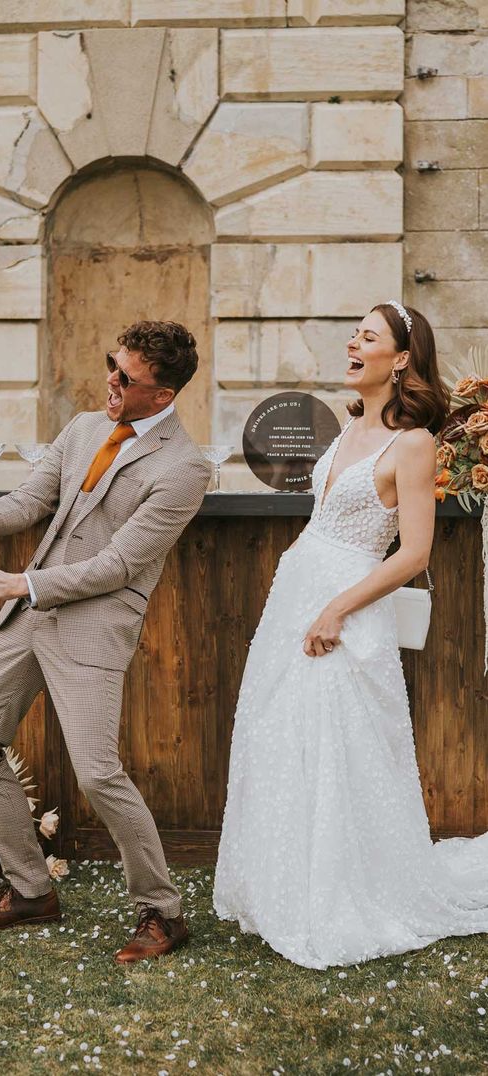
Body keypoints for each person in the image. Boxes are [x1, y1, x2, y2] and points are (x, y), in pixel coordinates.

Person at [0, 320, 211, 964]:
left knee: (98, 772)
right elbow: (28, 501)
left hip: (91, 625)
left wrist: (22, 583)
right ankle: (30, 890)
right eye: (112, 362)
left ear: (161, 396)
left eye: (126, 376)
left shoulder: (186, 468)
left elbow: (119, 565)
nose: (111, 378)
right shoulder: (82, 428)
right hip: (30, 612)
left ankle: (163, 911)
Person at [214, 300, 488, 969]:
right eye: (353, 334)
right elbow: (321, 522)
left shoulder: (415, 444)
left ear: (400, 360)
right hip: (297, 596)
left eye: (367, 337)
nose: (351, 343)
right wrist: (300, 592)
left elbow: (414, 552)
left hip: (348, 606)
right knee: (278, 733)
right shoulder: (349, 429)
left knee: (338, 746)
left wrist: (337, 608)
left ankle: (338, 896)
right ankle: (282, 889)